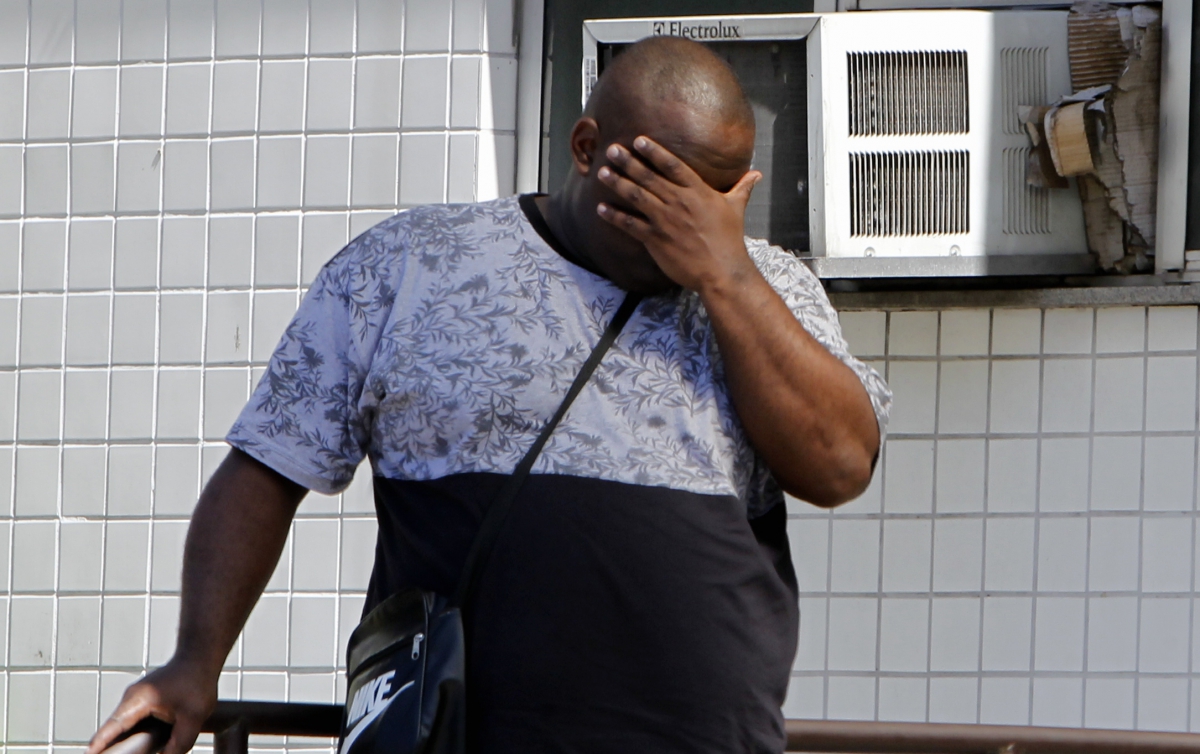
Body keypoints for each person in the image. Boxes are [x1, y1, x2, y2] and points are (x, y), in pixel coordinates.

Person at [89, 35, 889, 754]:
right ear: (586, 148)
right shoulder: (408, 264)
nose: (682, 222)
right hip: (456, 735)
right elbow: (267, 468)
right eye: (656, 190)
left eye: (713, 200)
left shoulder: (771, 287)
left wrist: (726, 271)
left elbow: (840, 466)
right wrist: (194, 664)